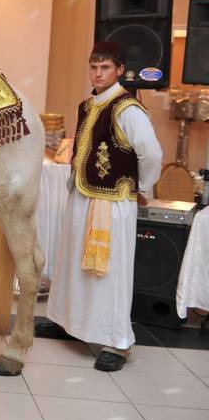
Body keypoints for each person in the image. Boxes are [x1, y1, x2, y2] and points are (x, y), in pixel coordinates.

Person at [36, 41, 162, 372]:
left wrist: (143, 186)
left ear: (120, 70)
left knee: (108, 272)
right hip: (83, 194)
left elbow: (151, 153)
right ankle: (68, 322)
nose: (98, 73)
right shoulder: (88, 105)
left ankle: (116, 342)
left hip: (113, 201)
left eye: (105, 67)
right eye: (94, 67)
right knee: (72, 263)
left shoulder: (127, 109)